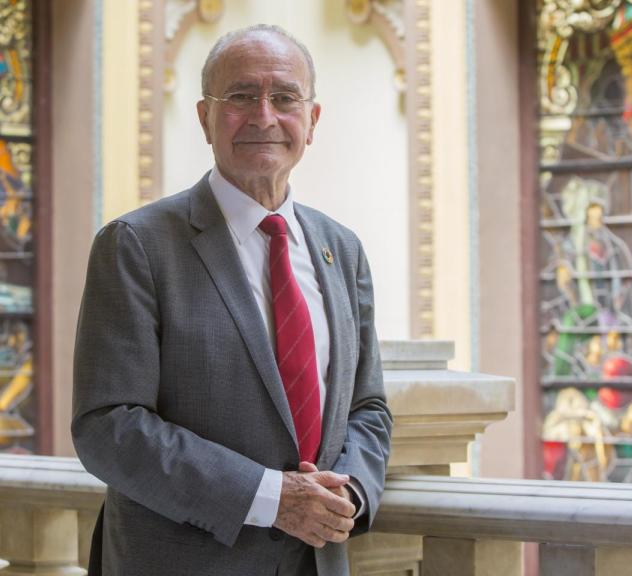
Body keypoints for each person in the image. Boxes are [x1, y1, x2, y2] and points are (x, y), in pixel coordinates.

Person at [72, 24, 392, 575]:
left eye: (286, 97)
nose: (264, 116)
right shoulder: (137, 246)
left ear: (312, 121)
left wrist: (350, 494)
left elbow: (368, 408)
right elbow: (108, 425)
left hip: (317, 561)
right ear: (205, 118)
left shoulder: (343, 249)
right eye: (241, 96)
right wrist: (272, 497)